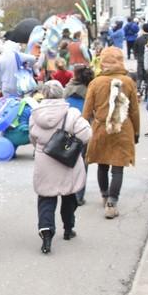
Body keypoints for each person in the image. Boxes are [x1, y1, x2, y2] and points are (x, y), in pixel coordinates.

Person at [29, 80, 93, 253]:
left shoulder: (35, 114)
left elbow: (33, 138)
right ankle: (68, 228)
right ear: (61, 93)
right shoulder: (71, 113)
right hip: (67, 160)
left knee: (46, 197)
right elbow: (86, 135)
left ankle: (46, 233)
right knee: (68, 194)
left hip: (44, 160)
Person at [81, 47, 139, 219]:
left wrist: (84, 130)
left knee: (102, 164)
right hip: (123, 128)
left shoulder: (96, 83)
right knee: (118, 167)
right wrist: (136, 131)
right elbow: (134, 110)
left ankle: (104, 194)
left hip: (100, 127)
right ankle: (112, 203)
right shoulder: (128, 82)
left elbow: (87, 110)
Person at [63, 64, 95, 205]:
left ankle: (67, 191)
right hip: (84, 127)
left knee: (66, 160)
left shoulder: (68, 89)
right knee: (83, 162)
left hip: (67, 128)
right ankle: (79, 195)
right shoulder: (90, 89)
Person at [133, 23, 148, 95]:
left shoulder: (138, 39)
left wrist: (137, 56)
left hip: (140, 60)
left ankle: (138, 91)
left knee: (139, 76)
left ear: (143, 29)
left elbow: (135, 49)